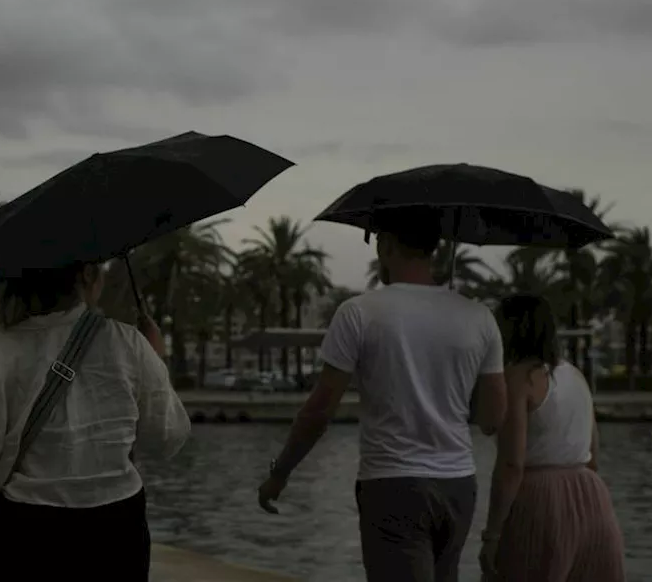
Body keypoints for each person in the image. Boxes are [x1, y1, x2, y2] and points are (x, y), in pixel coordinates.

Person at [257, 209, 507, 582]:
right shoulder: (480, 317)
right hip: (458, 485)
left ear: (386, 245)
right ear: (434, 248)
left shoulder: (358, 313)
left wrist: (280, 473)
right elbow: (492, 418)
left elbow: (319, 411)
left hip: (392, 484)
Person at [0, 261, 191, 582]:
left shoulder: (1, 348)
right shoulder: (129, 342)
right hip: (117, 532)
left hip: (28, 535)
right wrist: (156, 359)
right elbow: (167, 437)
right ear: (86, 275)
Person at [478, 295, 625, 581]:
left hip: (540, 499)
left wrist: (492, 534)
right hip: (592, 498)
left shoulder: (519, 377)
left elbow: (512, 464)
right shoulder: (576, 376)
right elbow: (593, 455)